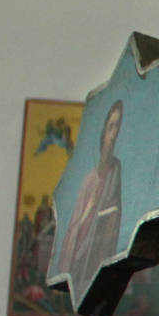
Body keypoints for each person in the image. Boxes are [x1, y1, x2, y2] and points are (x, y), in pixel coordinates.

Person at [57, 99, 124, 289]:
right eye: (111, 127)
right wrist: (89, 211)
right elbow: (75, 230)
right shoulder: (89, 180)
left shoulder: (116, 170)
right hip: (79, 264)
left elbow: (115, 220)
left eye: (117, 127)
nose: (114, 134)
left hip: (99, 261)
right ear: (103, 133)